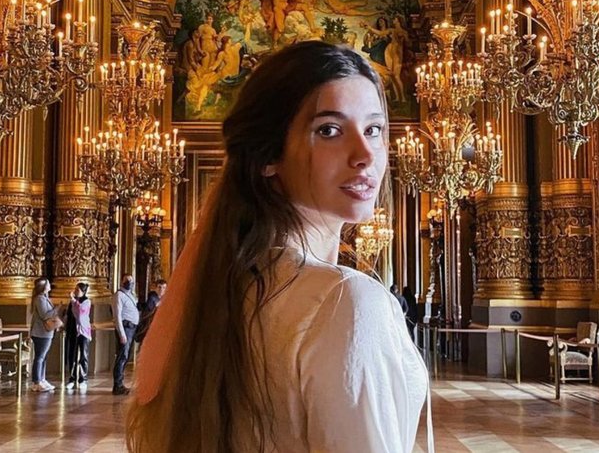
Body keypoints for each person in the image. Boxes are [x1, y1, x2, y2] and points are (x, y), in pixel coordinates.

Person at [128, 42, 428, 452]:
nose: (365, 155)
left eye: (374, 129)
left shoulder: (224, 287)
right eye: (329, 130)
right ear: (268, 155)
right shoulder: (348, 300)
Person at [30, 278, 59, 392]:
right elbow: (45, 315)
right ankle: (37, 381)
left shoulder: (44, 298)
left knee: (43, 357)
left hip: (46, 332)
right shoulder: (40, 299)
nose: (49, 285)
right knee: (39, 357)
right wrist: (56, 309)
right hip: (40, 333)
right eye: (47, 283)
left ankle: (42, 379)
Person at [113, 273, 140, 396]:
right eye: (127, 280)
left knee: (126, 356)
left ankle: (120, 383)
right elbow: (117, 315)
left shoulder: (130, 295)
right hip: (125, 328)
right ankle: (117, 385)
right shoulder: (119, 295)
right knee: (122, 356)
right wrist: (122, 333)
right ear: (121, 281)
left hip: (132, 328)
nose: (130, 283)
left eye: (131, 281)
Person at [65, 282, 92, 390]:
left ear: (83, 291)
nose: (75, 292)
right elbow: (69, 314)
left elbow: (80, 313)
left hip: (83, 332)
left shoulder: (86, 301)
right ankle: (72, 378)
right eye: (75, 289)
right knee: (72, 356)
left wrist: (73, 300)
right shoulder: (72, 302)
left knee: (83, 356)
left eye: (78, 290)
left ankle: (83, 378)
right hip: (72, 331)